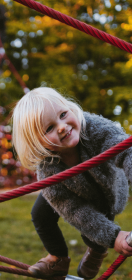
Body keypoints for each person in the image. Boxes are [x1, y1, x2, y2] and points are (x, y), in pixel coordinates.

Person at [11, 87, 132, 279]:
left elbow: (125, 149)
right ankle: (58, 258)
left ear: (70, 108)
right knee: (40, 214)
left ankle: (96, 250)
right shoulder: (47, 169)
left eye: (63, 114)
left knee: (97, 221)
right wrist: (114, 237)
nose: (61, 126)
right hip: (69, 188)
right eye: (49, 128)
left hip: (106, 188)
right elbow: (75, 211)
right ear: (36, 143)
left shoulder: (94, 127)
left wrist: (111, 237)